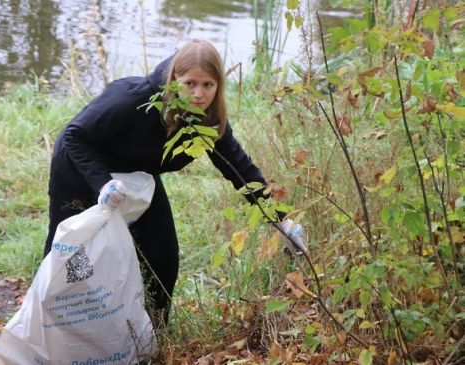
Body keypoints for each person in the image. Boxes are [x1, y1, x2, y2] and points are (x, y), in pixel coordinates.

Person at [44, 39, 303, 326]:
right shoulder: (132, 99)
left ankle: (153, 335)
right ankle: (51, 328)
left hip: (137, 179)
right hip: (81, 171)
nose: (199, 94)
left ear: (219, 86)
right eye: (190, 83)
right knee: (70, 258)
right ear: (173, 79)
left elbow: (239, 168)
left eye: (208, 85)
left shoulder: (208, 120)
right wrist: (102, 183)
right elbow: (74, 136)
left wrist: (281, 221)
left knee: (162, 258)